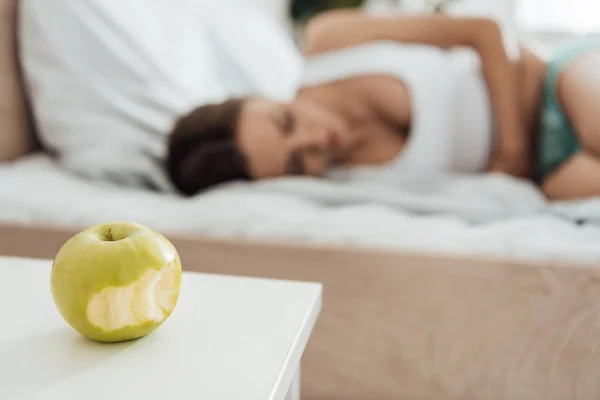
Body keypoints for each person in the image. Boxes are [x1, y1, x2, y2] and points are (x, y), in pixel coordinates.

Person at [166, 10, 600, 200]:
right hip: (549, 171)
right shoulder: (346, 190)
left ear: (264, 98)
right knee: (576, 188)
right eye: (299, 163)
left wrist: (512, 152)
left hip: (552, 83)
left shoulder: (328, 45)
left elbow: (484, 31)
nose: (318, 138)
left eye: (286, 121)